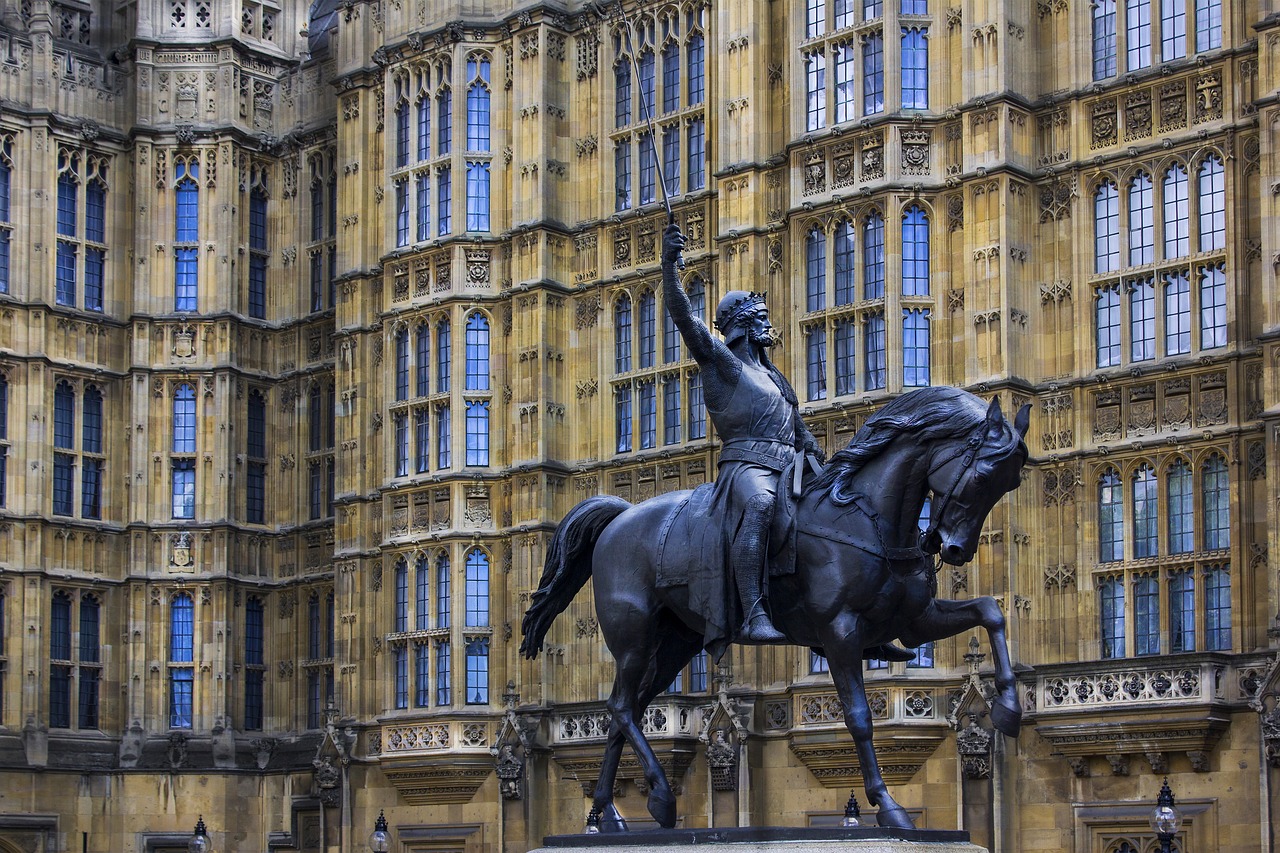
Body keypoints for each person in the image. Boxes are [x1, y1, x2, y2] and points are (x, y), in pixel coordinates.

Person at [661, 224, 823, 641]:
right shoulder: (724, 364)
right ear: (743, 326)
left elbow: (799, 431)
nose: (769, 325)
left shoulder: (772, 375)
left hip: (791, 465)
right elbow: (685, 320)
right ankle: (753, 613)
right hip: (747, 467)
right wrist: (668, 268)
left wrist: (826, 465)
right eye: (761, 319)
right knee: (760, 506)